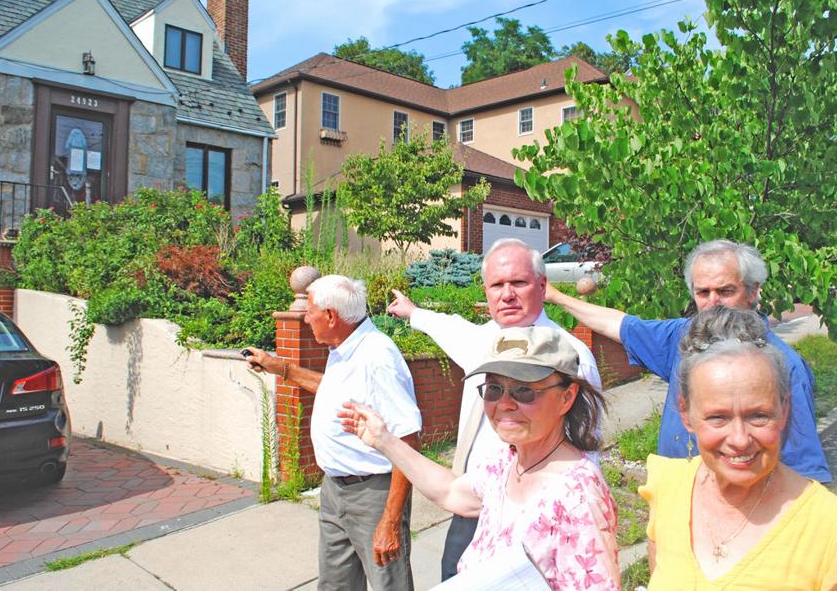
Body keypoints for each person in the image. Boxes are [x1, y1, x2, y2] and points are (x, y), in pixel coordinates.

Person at [339, 326, 620, 590]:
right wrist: (384, 440)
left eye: (524, 390)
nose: (505, 403)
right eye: (494, 389)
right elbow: (451, 492)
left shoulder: (578, 495)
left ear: (566, 398)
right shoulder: (508, 462)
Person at [387, 237, 602, 580]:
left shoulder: (569, 355)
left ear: (542, 285)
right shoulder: (483, 340)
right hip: (472, 506)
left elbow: (588, 446)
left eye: (518, 282)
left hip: (536, 518)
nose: (507, 294)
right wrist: (413, 313)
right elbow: (448, 327)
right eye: (497, 285)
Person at [545, 239, 832, 482]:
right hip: (679, 509)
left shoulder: (784, 365)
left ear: (753, 291)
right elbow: (619, 325)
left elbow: (805, 473)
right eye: (703, 292)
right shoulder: (683, 338)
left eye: (726, 291)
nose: (713, 302)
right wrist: (554, 296)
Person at [641, 306, 837, 589]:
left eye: (758, 416)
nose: (740, 438)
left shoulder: (835, 532)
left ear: (784, 408)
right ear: (686, 414)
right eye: (718, 417)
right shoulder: (668, 487)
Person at [243, 275, 420, 591]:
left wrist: (390, 522)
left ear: (331, 316)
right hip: (335, 490)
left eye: (310, 310)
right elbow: (334, 392)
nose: (305, 316)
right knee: (335, 586)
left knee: (388, 586)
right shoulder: (345, 346)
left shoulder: (377, 357)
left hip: (373, 496)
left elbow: (409, 440)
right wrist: (280, 367)